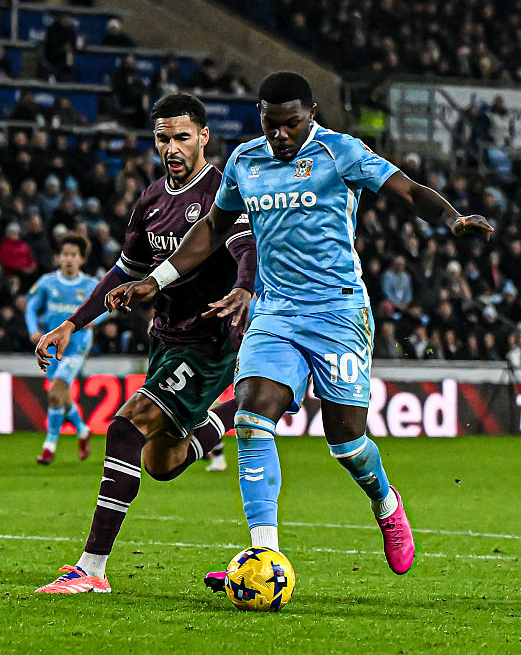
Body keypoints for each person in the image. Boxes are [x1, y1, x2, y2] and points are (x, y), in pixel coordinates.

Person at [108, 71, 493, 583]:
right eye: (271, 125)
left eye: (290, 125)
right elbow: (212, 230)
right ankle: (262, 555)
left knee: (346, 442)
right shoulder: (246, 161)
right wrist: (158, 279)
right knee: (251, 416)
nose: (280, 136)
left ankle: (385, 502)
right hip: (275, 314)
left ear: (311, 114)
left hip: (338, 312)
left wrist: (450, 219)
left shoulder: (342, 153)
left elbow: (409, 190)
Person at [33, 93, 256, 593]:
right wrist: (72, 324)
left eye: (181, 137)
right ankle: (236, 413)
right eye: (162, 138)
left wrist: (243, 286)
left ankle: (91, 570)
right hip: (166, 337)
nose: (171, 147)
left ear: (203, 136)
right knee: (162, 462)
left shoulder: (223, 191)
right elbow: (124, 272)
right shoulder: (153, 197)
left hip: (208, 341)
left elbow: (246, 247)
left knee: (125, 426)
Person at [25, 235, 105, 465]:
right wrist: (33, 329)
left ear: (81, 259)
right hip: (52, 346)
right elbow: (31, 307)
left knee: (54, 393)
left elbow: (108, 305)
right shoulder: (48, 283)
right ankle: (82, 430)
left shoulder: (90, 285)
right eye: (65, 254)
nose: (68, 259)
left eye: (73, 255)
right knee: (62, 395)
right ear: (59, 257)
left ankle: (49, 447)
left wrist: (95, 321)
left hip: (77, 347)